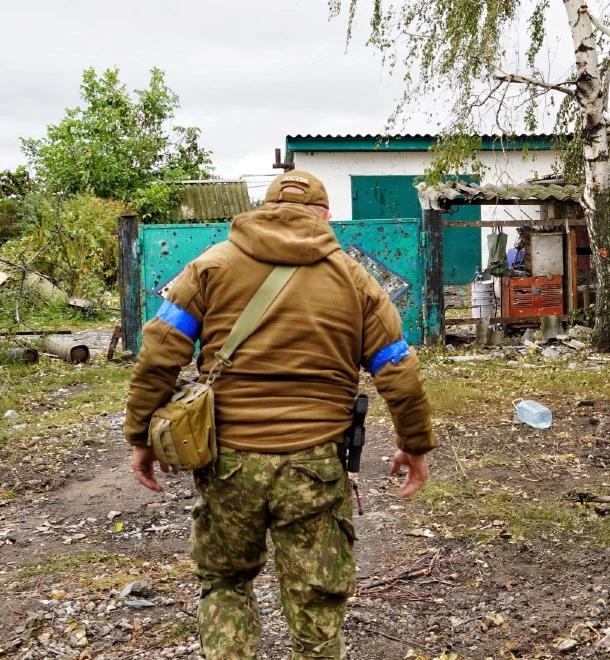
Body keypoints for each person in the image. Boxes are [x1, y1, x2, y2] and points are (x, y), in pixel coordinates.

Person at [124, 171, 435, 659]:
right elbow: (398, 369)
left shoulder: (210, 266)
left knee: (226, 582)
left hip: (227, 462)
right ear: (325, 217)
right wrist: (414, 445)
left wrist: (140, 435)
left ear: (262, 209)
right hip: (314, 465)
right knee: (315, 599)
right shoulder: (355, 280)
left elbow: (159, 353)